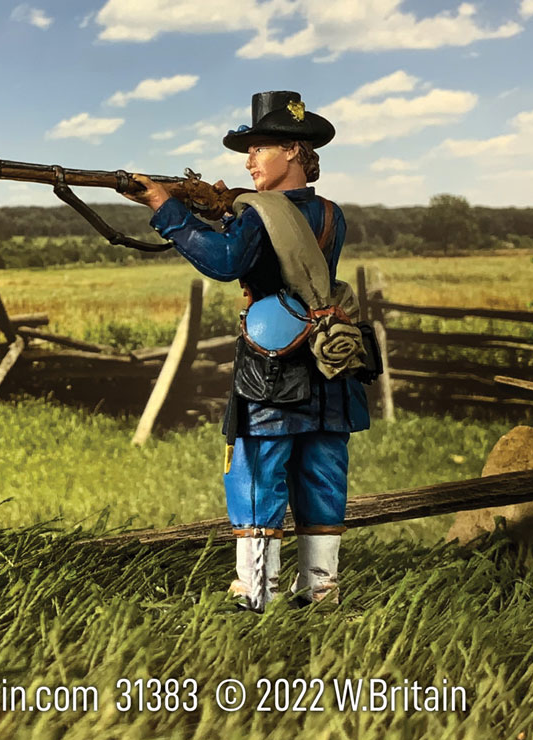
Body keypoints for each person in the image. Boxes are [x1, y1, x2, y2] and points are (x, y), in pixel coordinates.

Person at [126, 91, 370, 611]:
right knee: (322, 472)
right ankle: (320, 591)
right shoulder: (331, 213)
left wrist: (164, 208)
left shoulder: (259, 215)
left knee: (258, 473)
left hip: (274, 365)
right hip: (328, 362)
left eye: (259, 148)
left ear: (292, 152)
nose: (249, 160)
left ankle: (255, 595)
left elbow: (225, 259)